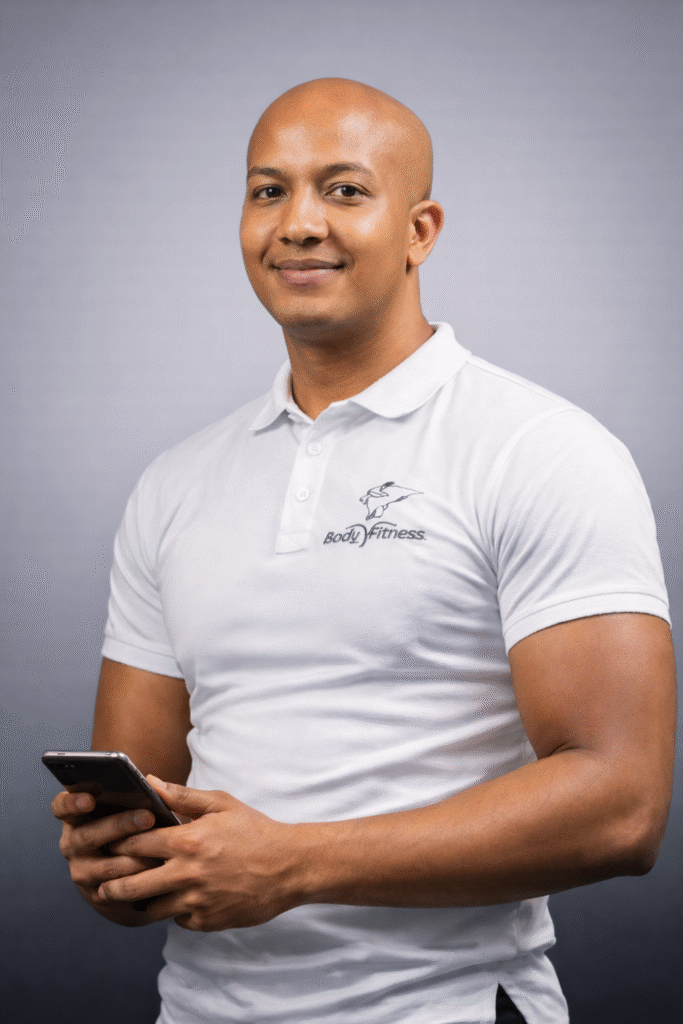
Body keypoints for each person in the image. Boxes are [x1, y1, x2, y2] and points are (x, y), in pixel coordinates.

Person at [51, 78, 676, 1024]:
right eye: (268, 190)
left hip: (449, 1008)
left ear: (420, 231)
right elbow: (143, 804)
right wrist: (122, 863)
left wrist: (294, 862)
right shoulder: (173, 485)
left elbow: (621, 807)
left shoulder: (541, 450)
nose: (298, 223)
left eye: (343, 190)